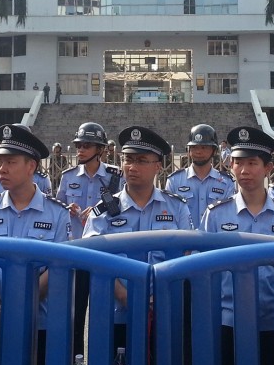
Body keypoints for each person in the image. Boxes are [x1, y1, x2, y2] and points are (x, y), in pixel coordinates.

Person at [201, 126, 274, 365]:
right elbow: (203, 273)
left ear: (269, 168)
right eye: (237, 162)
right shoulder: (216, 215)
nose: (243, 170)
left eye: (252, 163)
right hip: (228, 322)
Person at [0, 124, 71, 365]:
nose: (1, 169)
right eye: (0, 162)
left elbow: (58, 269)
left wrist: (18, 307)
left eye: (10, 162)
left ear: (31, 167)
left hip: (40, 321)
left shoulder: (57, 214)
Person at [82, 126, 193, 349]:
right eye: (128, 159)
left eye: (141, 160)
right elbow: (90, 258)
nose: (132, 167)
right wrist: (123, 294)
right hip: (115, 314)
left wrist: (158, 296)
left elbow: (188, 256)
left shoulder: (177, 208)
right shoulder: (103, 212)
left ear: (158, 166)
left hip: (164, 311)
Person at [55, 122, 123, 356]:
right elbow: (58, 208)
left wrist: (98, 210)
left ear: (100, 150)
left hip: (103, 255)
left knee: (103, 314)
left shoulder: (115, 177)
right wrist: (68, 207)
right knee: (75, 315)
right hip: (76, 253)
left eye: (86, 146)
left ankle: (105, 364)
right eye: (78, 145)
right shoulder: (68, 176)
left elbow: (121, 212)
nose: (80, 150)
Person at [164, 124, 235, 226]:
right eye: (194, 147)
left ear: (214, 151)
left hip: (215, 240)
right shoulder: (174, 181)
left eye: (204, 147)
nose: (198, 152)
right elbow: (169, 217)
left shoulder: (226, 182)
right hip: (184, 240)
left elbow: (229, 217)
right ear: (188, 151)